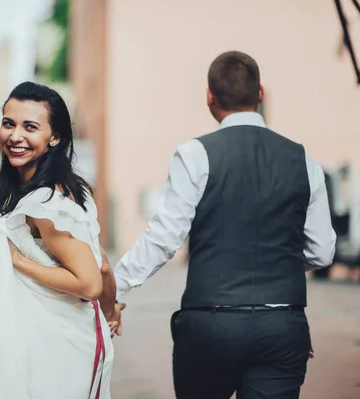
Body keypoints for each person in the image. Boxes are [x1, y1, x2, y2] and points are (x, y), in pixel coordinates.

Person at [109, 51, 337, 399]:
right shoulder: (304, 160)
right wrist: (276, 264)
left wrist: (114, 288)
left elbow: (165, 238)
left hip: (210, 326)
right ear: (260, 94)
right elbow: (322, 251)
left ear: (209, 97)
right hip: (282, 325)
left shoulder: (194, 154)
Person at [0, 81, 116, 399]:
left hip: (59, 354)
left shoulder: (46, 203)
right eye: (8, 123)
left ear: (54, 137)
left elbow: (89, 282)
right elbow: (104, 267)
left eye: (30, 127)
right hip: (46, 344)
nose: (15, 136)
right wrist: (112, 310)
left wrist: (18, 262)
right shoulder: (51, 191)